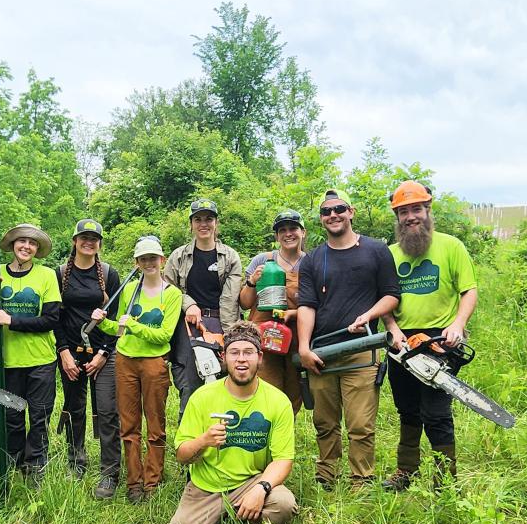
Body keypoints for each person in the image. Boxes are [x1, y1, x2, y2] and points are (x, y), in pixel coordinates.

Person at [295, 189, 401, 488]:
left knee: (360, 424)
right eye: (326, 212)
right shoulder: (314, 259)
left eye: (339, 208)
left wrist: (368, 316)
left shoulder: (376, 250)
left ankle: (360, 480)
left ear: (351, 211)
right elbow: (307, 305)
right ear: (321, 219)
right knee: (325, 423)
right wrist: (304, 347)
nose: (333, 215)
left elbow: (391, 295)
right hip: (322, 352)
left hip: (361, 351)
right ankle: (326, 476)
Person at [381, 181, 478, 490]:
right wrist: (392, 329)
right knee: (407, 409)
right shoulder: (389, 255)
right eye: (405, 211)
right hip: (401, 342)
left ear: (428, 210)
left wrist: (458, 325)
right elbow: (382, 299)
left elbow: (469, 291)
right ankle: (406, 470)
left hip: (439, 340)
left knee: (436, 413)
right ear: (397, 216)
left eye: (417, 209)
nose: (412, 217)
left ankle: (445, 479)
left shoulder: (451, 246)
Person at [170, 322, 298, 524]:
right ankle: (218, 522)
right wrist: (203, 441)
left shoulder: (278, 401)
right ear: (223, 357)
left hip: (250, 482)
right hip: (205, 488)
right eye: (234, 352)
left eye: (248, 352)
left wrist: (261, 488)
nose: (241, 359)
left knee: (284, 504)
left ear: (259, 357)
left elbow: (283, 459)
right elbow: (181, 455)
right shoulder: (202, 397)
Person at [93, 236, 183, 503]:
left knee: (155, 424)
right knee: (129, 425)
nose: (148, 263)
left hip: (154, 364)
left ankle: (152, 483)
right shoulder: (130, 289)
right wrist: (100, 322)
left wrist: (132, 324)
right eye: (143, 259)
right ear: (137, 262)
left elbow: (164, 336)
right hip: (125, 361)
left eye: (153, 258)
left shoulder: (172, 294)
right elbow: (119, 329)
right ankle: (134, 482)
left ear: (162, 260)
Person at [0, 223, 62, 480]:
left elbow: (51, 319)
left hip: (41, 360)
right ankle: (13, 465)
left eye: (32, 243)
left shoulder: (47, 275)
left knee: (39, 417)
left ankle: (36, 469)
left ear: (37, 248)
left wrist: (12, 321)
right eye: (22, 241)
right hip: (8, 360)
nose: (26, 246)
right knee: (11, 418)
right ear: (12, 245)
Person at [54, 219, 123, 498]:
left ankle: (110, 472)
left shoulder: (109, 274)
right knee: (74, 408)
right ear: (74, 241)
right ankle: (76, 462)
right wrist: (63, 352)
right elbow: (54, 316)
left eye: (94, 238)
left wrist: (104, 353)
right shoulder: (59, 274)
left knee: (107, 412)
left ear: (99, 243)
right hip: (70, 353)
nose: (89, 242)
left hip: (103, 355)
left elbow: (117, 320)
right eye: (84, 237)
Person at [162, 199, 244, 414]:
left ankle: (224, 438)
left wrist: (229, 336)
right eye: (198, 219)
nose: (203, 224)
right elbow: (168, 290)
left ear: (216, 223)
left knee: (226, 383)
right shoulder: (178, 257)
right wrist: (188, 304)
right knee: (190, 385)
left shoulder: (230, 256)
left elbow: (230, 299)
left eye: (209, 219)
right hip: (189, 327)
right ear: (191, 224)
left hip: (222, 323)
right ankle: (189, 442)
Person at [238, 208, 307, 413]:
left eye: (293, 228)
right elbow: (244, 303)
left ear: (303, 232)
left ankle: (283, 438)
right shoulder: (262, 260)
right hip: (264, 338)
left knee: (294, 394)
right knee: (264, 390)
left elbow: (317, 304)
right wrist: (252, 281)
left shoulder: (311, 262)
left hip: (296, 337)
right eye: (282, 230)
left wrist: (294, 314)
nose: (288, 234)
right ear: (277, 236)